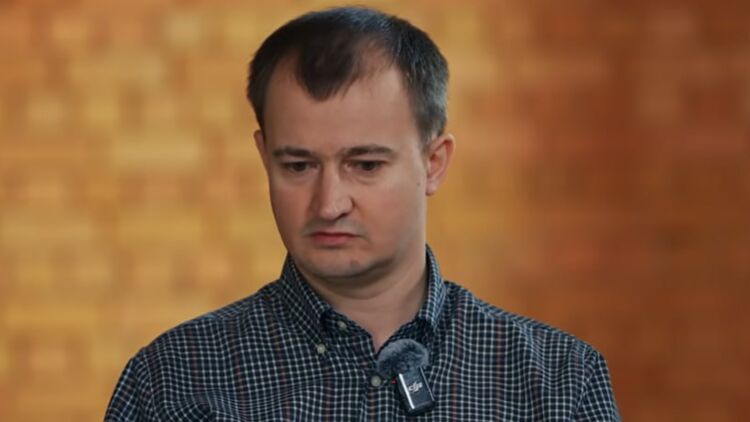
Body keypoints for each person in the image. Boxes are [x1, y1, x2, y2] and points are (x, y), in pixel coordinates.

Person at [105, 6, 620, 421]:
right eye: (298, 165)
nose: (329, 204)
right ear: (264, 158)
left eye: (366, 165)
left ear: (433, 163)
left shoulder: (559, 383)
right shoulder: (172, 382)